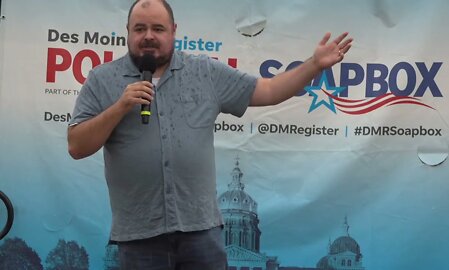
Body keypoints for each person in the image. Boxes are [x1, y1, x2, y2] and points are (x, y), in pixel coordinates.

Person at [67, 0, 352, 269]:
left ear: (174, 31)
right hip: (139, 237)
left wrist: (314, 65)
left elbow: (268, 90)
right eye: (140, 28)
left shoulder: (204, 71)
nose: (149, 36)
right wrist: (120, 107)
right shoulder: (102, 79)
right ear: (127, 32)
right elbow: (77, 146)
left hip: (200, 234)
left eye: (158, 28)